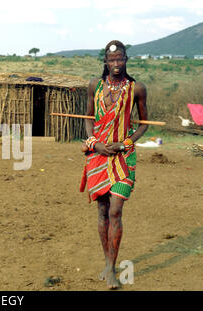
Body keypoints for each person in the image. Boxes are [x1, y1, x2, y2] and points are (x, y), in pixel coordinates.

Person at [80, 40, 148, 289]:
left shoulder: (136, 88)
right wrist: (94, 143)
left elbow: (143, 123)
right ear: (105, 62)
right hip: (98, 157)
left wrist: (124, 142)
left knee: (116, 211)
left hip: (123, 157)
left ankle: (111, 266)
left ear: (126, 60)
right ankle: (107, 261)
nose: (117, 64)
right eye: (112, 60)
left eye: (121, 59)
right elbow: (88, 118)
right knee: (102, 211)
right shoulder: (94, 86)